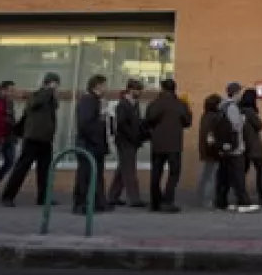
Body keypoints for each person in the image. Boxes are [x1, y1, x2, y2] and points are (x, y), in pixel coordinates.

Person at [1, 72, 60, 207]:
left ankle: (43, 197)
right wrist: (49, 89)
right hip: (33, 138)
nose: (57, 88)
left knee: (44, 170)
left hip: (45, 139)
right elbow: (34, 103)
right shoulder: (39, 95)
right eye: (56, 84)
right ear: (50, 83)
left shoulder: (49, 98)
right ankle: (8, 196)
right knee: (22, 168)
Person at [144, 78, 192, 213]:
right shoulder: (180, 104)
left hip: (158, 143)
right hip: (174, 144)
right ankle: (167, 200)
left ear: (162, 88)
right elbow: (187, 122)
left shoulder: (155, 103)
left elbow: (148, 120)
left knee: (156, 172)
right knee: (174, 173)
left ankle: (155, 202)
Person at [215, 82, 259, 213]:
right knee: (238, 176)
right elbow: (236, 126)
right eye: (239, 92)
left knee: (225, 176)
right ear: (235, 93)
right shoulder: (232, 107)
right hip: (236, 147)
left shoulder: (221, 106)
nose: (240, 95)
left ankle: (221, 202)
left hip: (225, 147)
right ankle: (243, 202)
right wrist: (243, 119)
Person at [72, 74, 112, 214]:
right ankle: (80, 203)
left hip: (95, 145)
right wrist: (100, 121)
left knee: (97, 174)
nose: (107, 88)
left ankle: (98, 202)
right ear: (98, 86)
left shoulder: (97, 101)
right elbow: (85, 123)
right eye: (105, 85)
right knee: (85, 175)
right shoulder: (88, 100)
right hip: (88, 145)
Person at [107, 79, 148, 208]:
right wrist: (133, 137)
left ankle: (112, 197)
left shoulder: (135, 104)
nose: (139, 92)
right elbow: (122, 125)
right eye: (137, 89)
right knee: (129, 169)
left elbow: (138, 123)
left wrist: (142, 135)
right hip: (125, 141)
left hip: (132, 141)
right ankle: (134, 198)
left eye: (140, 89)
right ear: (130, 89)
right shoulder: (123, 105)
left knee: (123, 169)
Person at [239, 88, 262, 204]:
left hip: (243, 144)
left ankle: (241, 194)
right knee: (260, 170)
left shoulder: (238, 110)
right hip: (254, 145)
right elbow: (259, 125)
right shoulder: (250, 111)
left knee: (242, 171)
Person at [196, 93, 222, 208]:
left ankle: (200, 197)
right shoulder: (215, 117)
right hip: (211, 151)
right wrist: (216, 148)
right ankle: (208, 201)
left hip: (204, 150)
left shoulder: (205, 116)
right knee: (211, 176)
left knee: (205, 175)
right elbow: (211, 136)